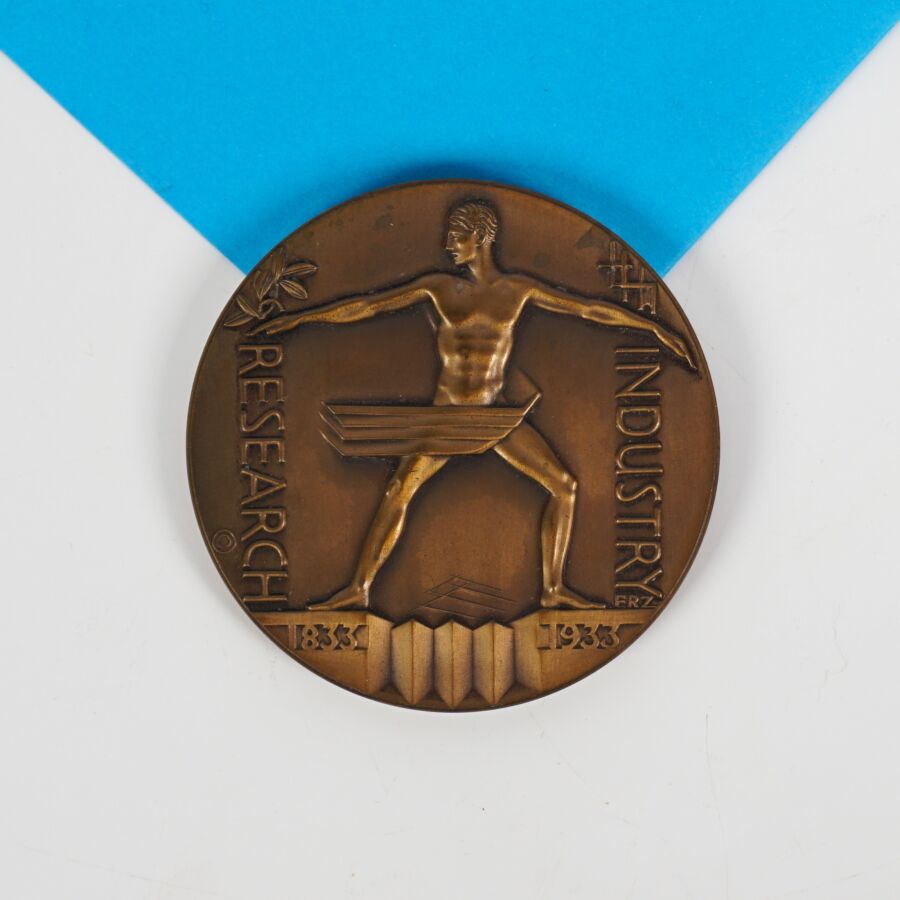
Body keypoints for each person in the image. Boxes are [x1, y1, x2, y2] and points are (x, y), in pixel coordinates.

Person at [256, 200, 695, 610]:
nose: (448, 244)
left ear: (481, 238)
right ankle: (359, 589)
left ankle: (552, 590)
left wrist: (656, 329)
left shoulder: (518, 291)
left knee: (564, 486)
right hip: (448, 419)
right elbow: (365, 307)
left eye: (456, 236)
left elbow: (589, 310)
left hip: (494, 417)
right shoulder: (439, 288)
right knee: (399, 490)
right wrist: (298, 318)